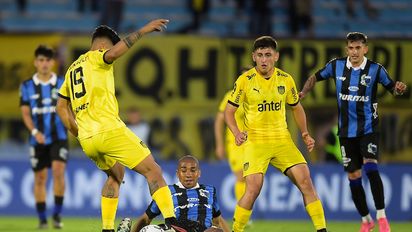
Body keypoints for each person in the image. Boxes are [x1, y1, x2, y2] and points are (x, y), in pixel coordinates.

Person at [56, 21, 187, 232]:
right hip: (108, 129)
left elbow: (61, 107)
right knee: (153, 171)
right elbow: (114, 54)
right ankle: (174, 225)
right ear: (102, 46)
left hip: (88, 139)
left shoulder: (72, 70)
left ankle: (107, 229)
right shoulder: (97, 57)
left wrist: (79, 133)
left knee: (115, 175)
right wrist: (144, 31)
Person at [299, 32, 407, 232]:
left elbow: (393, 88)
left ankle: (382, 217)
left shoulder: (376, 70)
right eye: (351, 47)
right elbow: (315, 77)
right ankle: (366, 220)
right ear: (346, 49)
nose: (354, 51)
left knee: (371, 166)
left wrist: (399, 88)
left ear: (365, 49)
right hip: (346, 133)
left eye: (358, 48)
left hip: (368, 129)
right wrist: (304, 92)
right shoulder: (336, 66)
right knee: (353, 177)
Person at [225, 36, 327, 232]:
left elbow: (296, 108)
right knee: (253, 188)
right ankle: (236, 230)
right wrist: (236, 132)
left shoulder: (286, 79)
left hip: (282, 140)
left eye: (268, 55)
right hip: (256, 141)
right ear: (254, 57)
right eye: (260, 55)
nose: (264, 60)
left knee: (306, 182)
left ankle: (322, 230)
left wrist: (305, 133)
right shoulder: (244, 81)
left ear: (276, 56)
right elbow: (229, 112)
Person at [20, 45, 68, 229]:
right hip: (37, 138)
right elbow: (25, 114)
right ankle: (42, 219)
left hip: (59, 136)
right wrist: (34, 132)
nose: (44, 64)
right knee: (40, 178)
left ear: (53, 62)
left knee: (58, 172)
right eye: (41, 60)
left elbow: (69, 109)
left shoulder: (62, 83)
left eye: (48, 60)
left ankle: (56, 215)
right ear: (35, 62)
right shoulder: (26, 86)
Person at [133, 155, 230, 232]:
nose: (188, 174)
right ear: (177, 173)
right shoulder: (166, 192)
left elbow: (218, 220)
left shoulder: (209, 191)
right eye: (184, 170)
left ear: (199, 173)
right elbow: (145, 219)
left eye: (193, 170)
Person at [214, 66, 251, 208]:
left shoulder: (259, 96)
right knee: (240, 175)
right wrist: (219, 144)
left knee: (251, 178)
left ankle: (246, 210)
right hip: (235, 142)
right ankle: (243, 212)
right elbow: (219, 120)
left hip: (254, 143)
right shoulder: (231, 96)